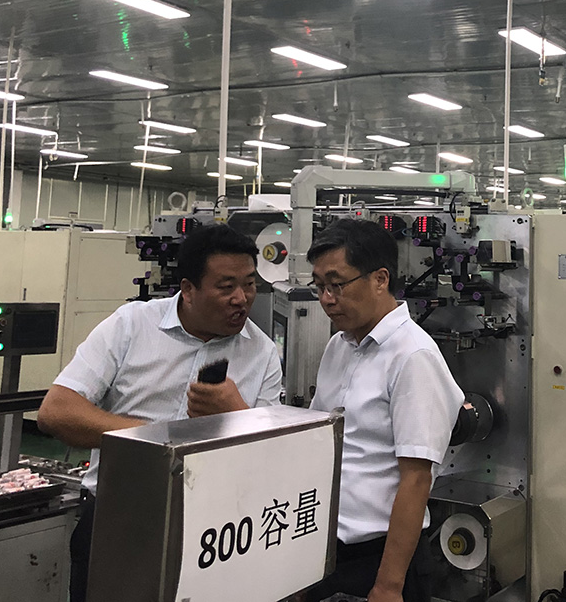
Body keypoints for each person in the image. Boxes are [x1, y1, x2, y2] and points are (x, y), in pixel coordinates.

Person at [37, 223, 282, 602]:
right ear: (188, 289)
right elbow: (56, 412)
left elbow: (271, 460)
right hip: (119, 521)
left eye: (249, 284)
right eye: (226, 286)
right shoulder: (132, 326)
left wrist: (235, 416)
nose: (241, 298)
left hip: (213, 530)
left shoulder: (262, 353)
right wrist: (160, 438)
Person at [304, 218, 463, 602]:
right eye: (319, 286)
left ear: (380, 279)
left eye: (337, 284)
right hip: (327, 550)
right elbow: (318, 441)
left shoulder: (413, 356)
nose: (327, 299)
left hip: (381, 558)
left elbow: (416, 480)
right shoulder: (339, 346)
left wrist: (389, 585)